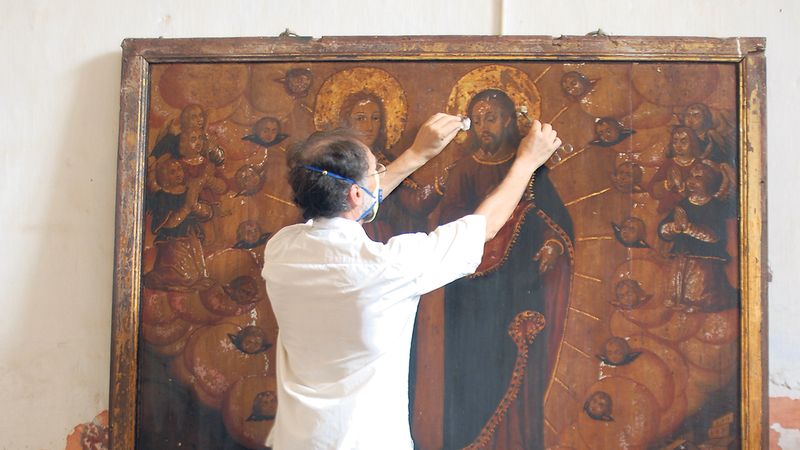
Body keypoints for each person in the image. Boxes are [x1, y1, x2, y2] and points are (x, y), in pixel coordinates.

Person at [261, 112, 561, 449]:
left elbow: (351, 202)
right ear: (357, 195)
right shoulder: (387, 267)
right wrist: (527, 161)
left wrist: (417, 155)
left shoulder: (281, 250)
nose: (380, 177)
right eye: (377, 170)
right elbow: (482, 229)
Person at [437, 89, 573, 449]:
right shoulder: (464, 169)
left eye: (492, 117)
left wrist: (552, 242)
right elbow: (450, 224)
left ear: (510, 121)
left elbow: (554, 216)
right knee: (469, 366)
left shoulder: (529, 167)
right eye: (477, 119)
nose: (484, 126)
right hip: (470, 289)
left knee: (514, 361)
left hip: (518, 281)